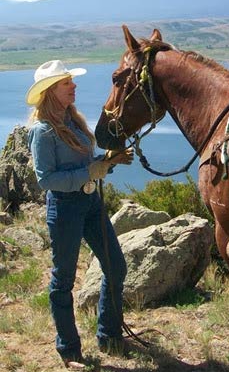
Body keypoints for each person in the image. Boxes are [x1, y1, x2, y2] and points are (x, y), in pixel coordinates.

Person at [26, 60, 133, 369]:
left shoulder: (74, 121)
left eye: (71, 81)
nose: (73, 86)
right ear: (50, 92)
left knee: (116, 267)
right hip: (65, 209)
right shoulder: (42, 131)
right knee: (63, 281)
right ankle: (69, 349)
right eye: (66, 83)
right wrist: (91, 170)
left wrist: (108, 160)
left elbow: (88, 165)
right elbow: (46, 179)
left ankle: (109, 336)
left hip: (90, 205)